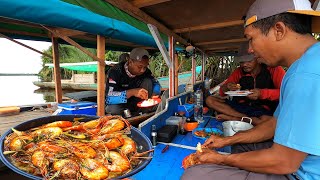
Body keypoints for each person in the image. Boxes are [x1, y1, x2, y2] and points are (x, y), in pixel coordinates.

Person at [181, 0, 320, 179]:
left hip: (299, 174)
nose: (251, 49)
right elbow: (273, 125)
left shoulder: (305, 74)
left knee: (194, 175)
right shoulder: (304, 65)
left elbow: (284, 161)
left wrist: (223, 160)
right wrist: (227, 140)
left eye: (251, 38)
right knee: (239, 145)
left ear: (279, 30)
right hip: (294, 161)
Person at [206, 50, 285, 123]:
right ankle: (246, 119)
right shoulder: (238, 72)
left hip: (263, 109)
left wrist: (262, 93)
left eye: (249, 61)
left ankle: (235, 118)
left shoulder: (274, 69)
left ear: (258, 59)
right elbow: (222, 92)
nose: (244, 64)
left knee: (268, 121)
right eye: (242, 62)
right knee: (210, 100)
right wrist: (227, 87)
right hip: (240, 107)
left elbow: (285, 93)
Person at [105, 48, 161, 115]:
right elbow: (109, 98)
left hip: (138, 103)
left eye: (145, 67)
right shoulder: (115, 72)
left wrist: (155, 93)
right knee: (113, 109)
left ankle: (143, 113)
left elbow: (156, 83)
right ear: (130, 62)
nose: (142, 70)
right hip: (121, 105)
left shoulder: (146, 72)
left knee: (148, 81)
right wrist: (132, 92)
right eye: (139, 67)